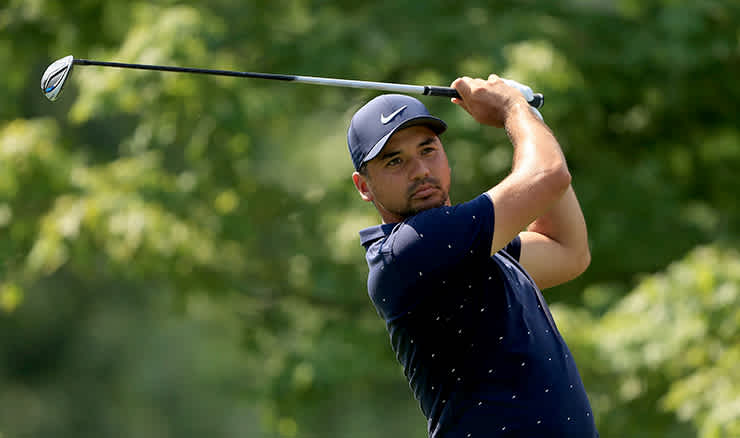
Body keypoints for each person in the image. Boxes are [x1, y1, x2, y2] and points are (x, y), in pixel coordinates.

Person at [347, 75, 598, 437]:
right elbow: (549, 175)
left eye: (428, 149)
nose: (420, 171)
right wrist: (514, 109)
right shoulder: (410, 251)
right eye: (394, 161)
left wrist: (531, 121)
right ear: (364, 186)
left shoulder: (471, 247)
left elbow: (568, 250)